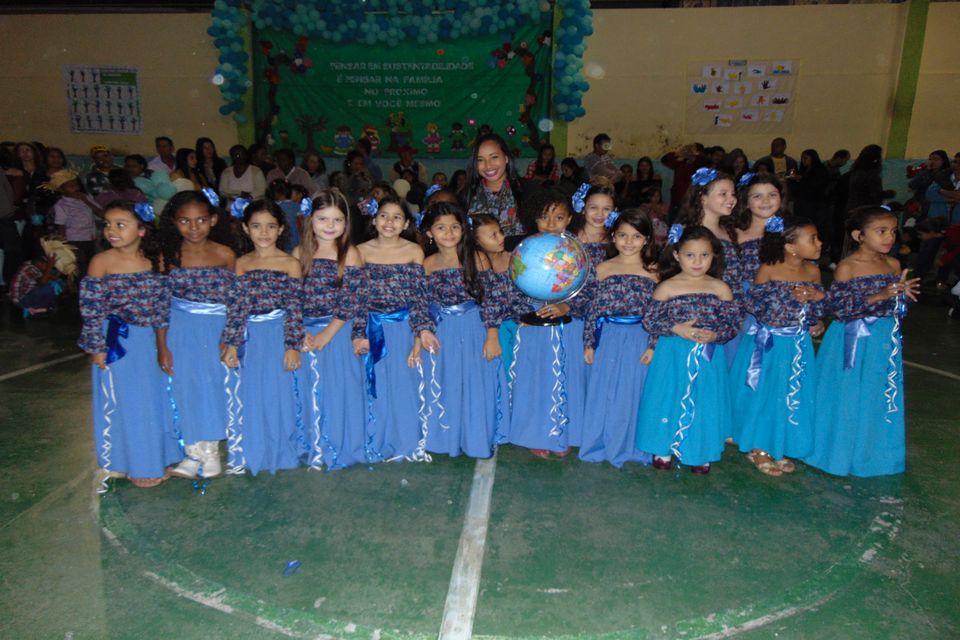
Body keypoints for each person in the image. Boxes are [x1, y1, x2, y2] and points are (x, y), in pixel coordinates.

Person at [805, 206, 920, 477]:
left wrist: (901, 297)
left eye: (893, 231)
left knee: (876, 394)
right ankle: (837, 453)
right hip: (852, 340)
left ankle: (873, 455)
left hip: (882, 338)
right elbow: (838, 308)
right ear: (859, 235)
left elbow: (896, 309)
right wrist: (879, 296)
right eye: (881, 231)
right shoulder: (848, 266)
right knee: (846, 396)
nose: (889, 237)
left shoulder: (893, 265)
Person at [78, 200, 181, 488]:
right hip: (116, 342)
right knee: (127, 403)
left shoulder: (155, 262)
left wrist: (163, 346)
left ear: (141, 230)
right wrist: (97, 348)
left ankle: (158, 456)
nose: (111, 230)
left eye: (120, 224)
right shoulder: (101, 262)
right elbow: (91, 308)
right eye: (108, 225)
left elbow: (161, 309)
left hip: (146, 341)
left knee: (153, 401)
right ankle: (136, 464)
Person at [636, 225, 741, 474]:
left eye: (704, 255)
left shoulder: (721, 288)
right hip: (673, 354)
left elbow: (733, 324)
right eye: (690, 255)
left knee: (704, 400)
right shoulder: (667, 287)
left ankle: (700, 450)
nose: (697, 261)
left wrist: (716, 335)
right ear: (677, 255)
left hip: (708, 356)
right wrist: (677, 328)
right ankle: (662, 447)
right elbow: (650, 321)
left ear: (714, 256)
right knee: (668, 397)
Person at [495, 189, 592, 458]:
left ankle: (564, 433)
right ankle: (535, 434)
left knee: (566, 378)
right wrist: (523, 314)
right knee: (536, 379)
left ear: (569, 219)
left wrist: (567, 306)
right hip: (534, 325)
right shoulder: (523, 250)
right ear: (533, 219)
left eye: (559, 217)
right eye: (544, 217)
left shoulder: (578, 251)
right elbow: (511, 288)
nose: (551, 224)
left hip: (568, 324)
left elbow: (591, 291)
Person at [730, 216, 826, 476]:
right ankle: (759, 446)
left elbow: (818, 308)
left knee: (790, 393)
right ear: (791, 247)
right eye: (813, 238)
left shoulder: (813, 271)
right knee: (766, 394)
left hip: (798, 344)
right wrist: (785, 301)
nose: (819, 243)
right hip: (770, 344)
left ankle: (779, 443)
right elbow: (753, 304)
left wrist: (816, 307)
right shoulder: (769, 269)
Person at [352, 195, 440, 462]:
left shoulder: (414, 251)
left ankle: (405, 440)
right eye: (384, 215)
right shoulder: (360, 251)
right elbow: (356, 297)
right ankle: (375, 440)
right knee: (374, 386)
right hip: (372, 328)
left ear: (406, 224)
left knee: (405, 385)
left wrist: (421, 331)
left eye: (397, 217)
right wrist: (358, 333)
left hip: (402, 328)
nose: (389, 222)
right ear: (374, 220)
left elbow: (418, 297)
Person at [156, 191, 237, 480]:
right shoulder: (170, 256)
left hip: (215, 329)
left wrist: (229, 337)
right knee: (185, 387)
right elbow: (161, 304)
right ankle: (192, 451)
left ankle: (211, 450)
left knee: (212, 387)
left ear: (213, 220)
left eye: (201, 220)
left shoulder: (225, 254)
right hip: (180, 329)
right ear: (174, 222)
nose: (193, 228)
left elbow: (235, 301)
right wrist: (162, 345)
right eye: (185, 221)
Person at [220, 199, 304, 476]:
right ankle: (255, 449)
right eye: (256, 226)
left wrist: (292, 346)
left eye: (270, 226)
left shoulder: (290, 263)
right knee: (252, 392)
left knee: (278, 393)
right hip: (251, 338)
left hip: (278, 335)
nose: (264, 232)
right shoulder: (241, 263)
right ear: (246, 228)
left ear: (281, 229)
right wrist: (232, 343)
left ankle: (282, 449)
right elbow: (236, 308)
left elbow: (294, 309)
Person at [420, 201, 505, 458]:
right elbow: (422, 303)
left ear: (463, 229)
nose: (449, 233)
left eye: (454, 226)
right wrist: (424, 330)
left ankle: (475, 438)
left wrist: (492, 335)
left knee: (475, 382)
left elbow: (492, 299)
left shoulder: (477, 258)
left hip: (474, 327)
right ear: (429, 233)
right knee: (447, 382)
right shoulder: (427, 263)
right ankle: (446, 438)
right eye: (441, 227)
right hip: (443, 331)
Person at [293, 188, 367, 469]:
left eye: (337, 220)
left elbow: (352, 299)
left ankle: (339, 442)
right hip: (306, 333)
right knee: (309, 389)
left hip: (337, 331)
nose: (330, 226)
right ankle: (313, 443)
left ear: (346, 223)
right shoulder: (299, 253)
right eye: (323, 219)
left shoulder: (350, 254)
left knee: (338, 390)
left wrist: (327, 333)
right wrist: (299, 331)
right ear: (310, 220)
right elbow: (292, 298)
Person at [579, 209, 658, 468]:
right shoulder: (602, 269)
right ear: (613, 236)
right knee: (604, 391)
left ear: (646, 239)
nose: (629, 242)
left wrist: (653, 344)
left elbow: (659, 313)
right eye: (623, 235)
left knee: (632, 393)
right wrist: (589, 342)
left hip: (639, 338)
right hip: (608, 337)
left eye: (636, 236)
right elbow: (592, 309)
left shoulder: (654, 271)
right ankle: (599, 443)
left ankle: (632, 445)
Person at [464, 133, 531, 247]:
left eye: (494, 157)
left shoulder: (528, 190)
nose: (488, 166)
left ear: (506, 158)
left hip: (522, 255)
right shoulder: (467, 194)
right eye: (480, 160)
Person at [48, 169, 101, 275]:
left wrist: (85, 200)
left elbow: (100, 212)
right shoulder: (62, 204)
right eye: (69, 185)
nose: (74, 187)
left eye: (75, 184)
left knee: (92, 264)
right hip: (75, 240)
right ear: (61, 189)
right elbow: (61, 225)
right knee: (80, 267)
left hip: (90, 237)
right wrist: (64, 244)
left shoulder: (86, 197)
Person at [7, 241, 71, 317]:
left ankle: (39, 308)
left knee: (58, 283)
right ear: (39, 264)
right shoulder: (28, 269)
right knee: (48, 288)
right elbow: (42, 283)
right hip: (21, 300)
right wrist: (50, 266)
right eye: (46, 265)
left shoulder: (36, 268)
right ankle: (33, 308)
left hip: (28, 295)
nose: (47, 266)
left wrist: (61, 269)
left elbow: (53, 278)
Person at [791, 149, 830, 247]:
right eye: (802, 158)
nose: (803, 161)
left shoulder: (820, 170)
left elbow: (817, 186)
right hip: (802, 203)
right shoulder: (802, 170)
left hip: (815, 204)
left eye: (806, 158)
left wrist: (802, 180)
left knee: (814, 226)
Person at [572, 183, 615, 265]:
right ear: (583, 209)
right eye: (593, 207)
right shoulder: (569, 237)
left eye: (606, 209)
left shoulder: (616, 242)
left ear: (614, 211)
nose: (600, 214)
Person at [661, 143, 706, 220]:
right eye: (687, 148)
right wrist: (679, 153)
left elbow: (703, 160)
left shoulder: (699, 162)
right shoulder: (681, 162)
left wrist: (693, 155)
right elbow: (665, 159)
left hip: (692, 198)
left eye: (692, 148)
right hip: (677, 198)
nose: (688, 150)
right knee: (674, 220)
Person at [846, 144, 895, 212]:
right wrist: (888, 194)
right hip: (867, 210)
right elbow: (874, 194)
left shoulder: (856, 172)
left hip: (854, 208)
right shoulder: (871, 175)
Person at [219, 145, 265, 209]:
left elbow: (261, 190)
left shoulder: (256, 171)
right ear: (231, 157)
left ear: (246, 155)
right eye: (235, 154)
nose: (238, 156)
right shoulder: (226, 172)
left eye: (241, 153)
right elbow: (222, 190)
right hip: (231, 209)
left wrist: (248, 197)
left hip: (252, 208)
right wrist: (241, 193)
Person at [907, 150, 951, 214]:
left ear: (943, 161)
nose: (932, 162)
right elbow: (911, 185)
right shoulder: (926, 172)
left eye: (936, 159)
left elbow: (931, 184)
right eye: (930, 159)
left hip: (934, 206)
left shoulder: (947, 174)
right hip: (918, 203)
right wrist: (926, 170)